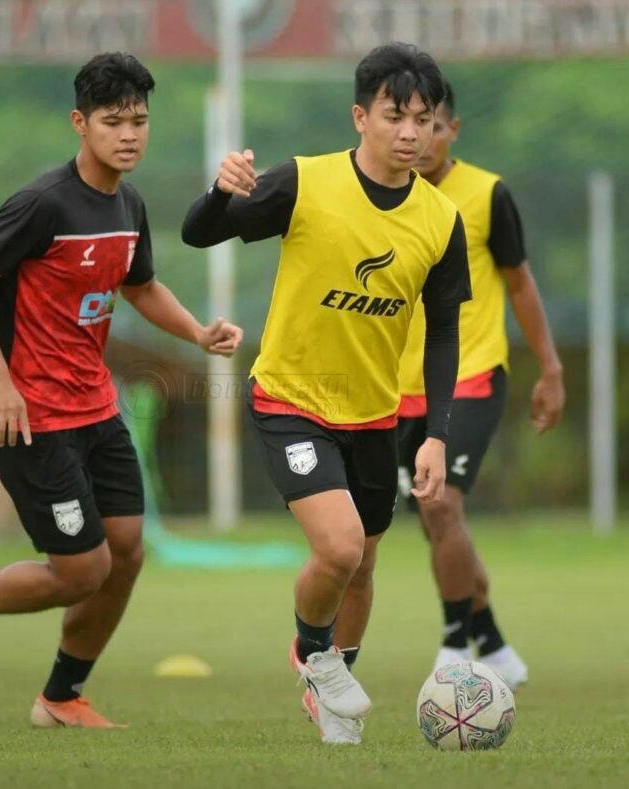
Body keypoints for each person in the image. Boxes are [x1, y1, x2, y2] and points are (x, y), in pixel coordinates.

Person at [0, 52, 242, 728]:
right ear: (79, 123)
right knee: (81, 570)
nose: (129, 134)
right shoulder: (42, 202)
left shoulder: (129, 202)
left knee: (128, 551)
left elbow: (140, 285)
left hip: (96, 407)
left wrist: (197, 333)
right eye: (113, 121)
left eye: (140, 121)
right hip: (30, 414)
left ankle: (61, 696)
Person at [182, 43, 471, 745]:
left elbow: (440, 335)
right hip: (290, 399)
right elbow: (199, 233)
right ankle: (314, 654)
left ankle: (331, 693)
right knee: (339, 548)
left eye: (424, 119)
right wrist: (222, 191)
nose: (410, 132)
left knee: (364, 564)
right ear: (360, 117)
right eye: (394, 115)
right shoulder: (304, 184)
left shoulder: (440, 220)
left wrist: (434, 431)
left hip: (373, 413)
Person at [396, 80, 565, 690]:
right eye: (411, 123)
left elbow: (520, 283)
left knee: (443, 507)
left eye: (434, 125)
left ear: (453, 130)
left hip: (471, 375)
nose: (422, 137)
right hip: (394, 387)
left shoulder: (488, 194)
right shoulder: (383, 194)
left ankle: (454, 645)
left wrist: (550, 367)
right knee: (436, 522)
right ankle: (490, 637)